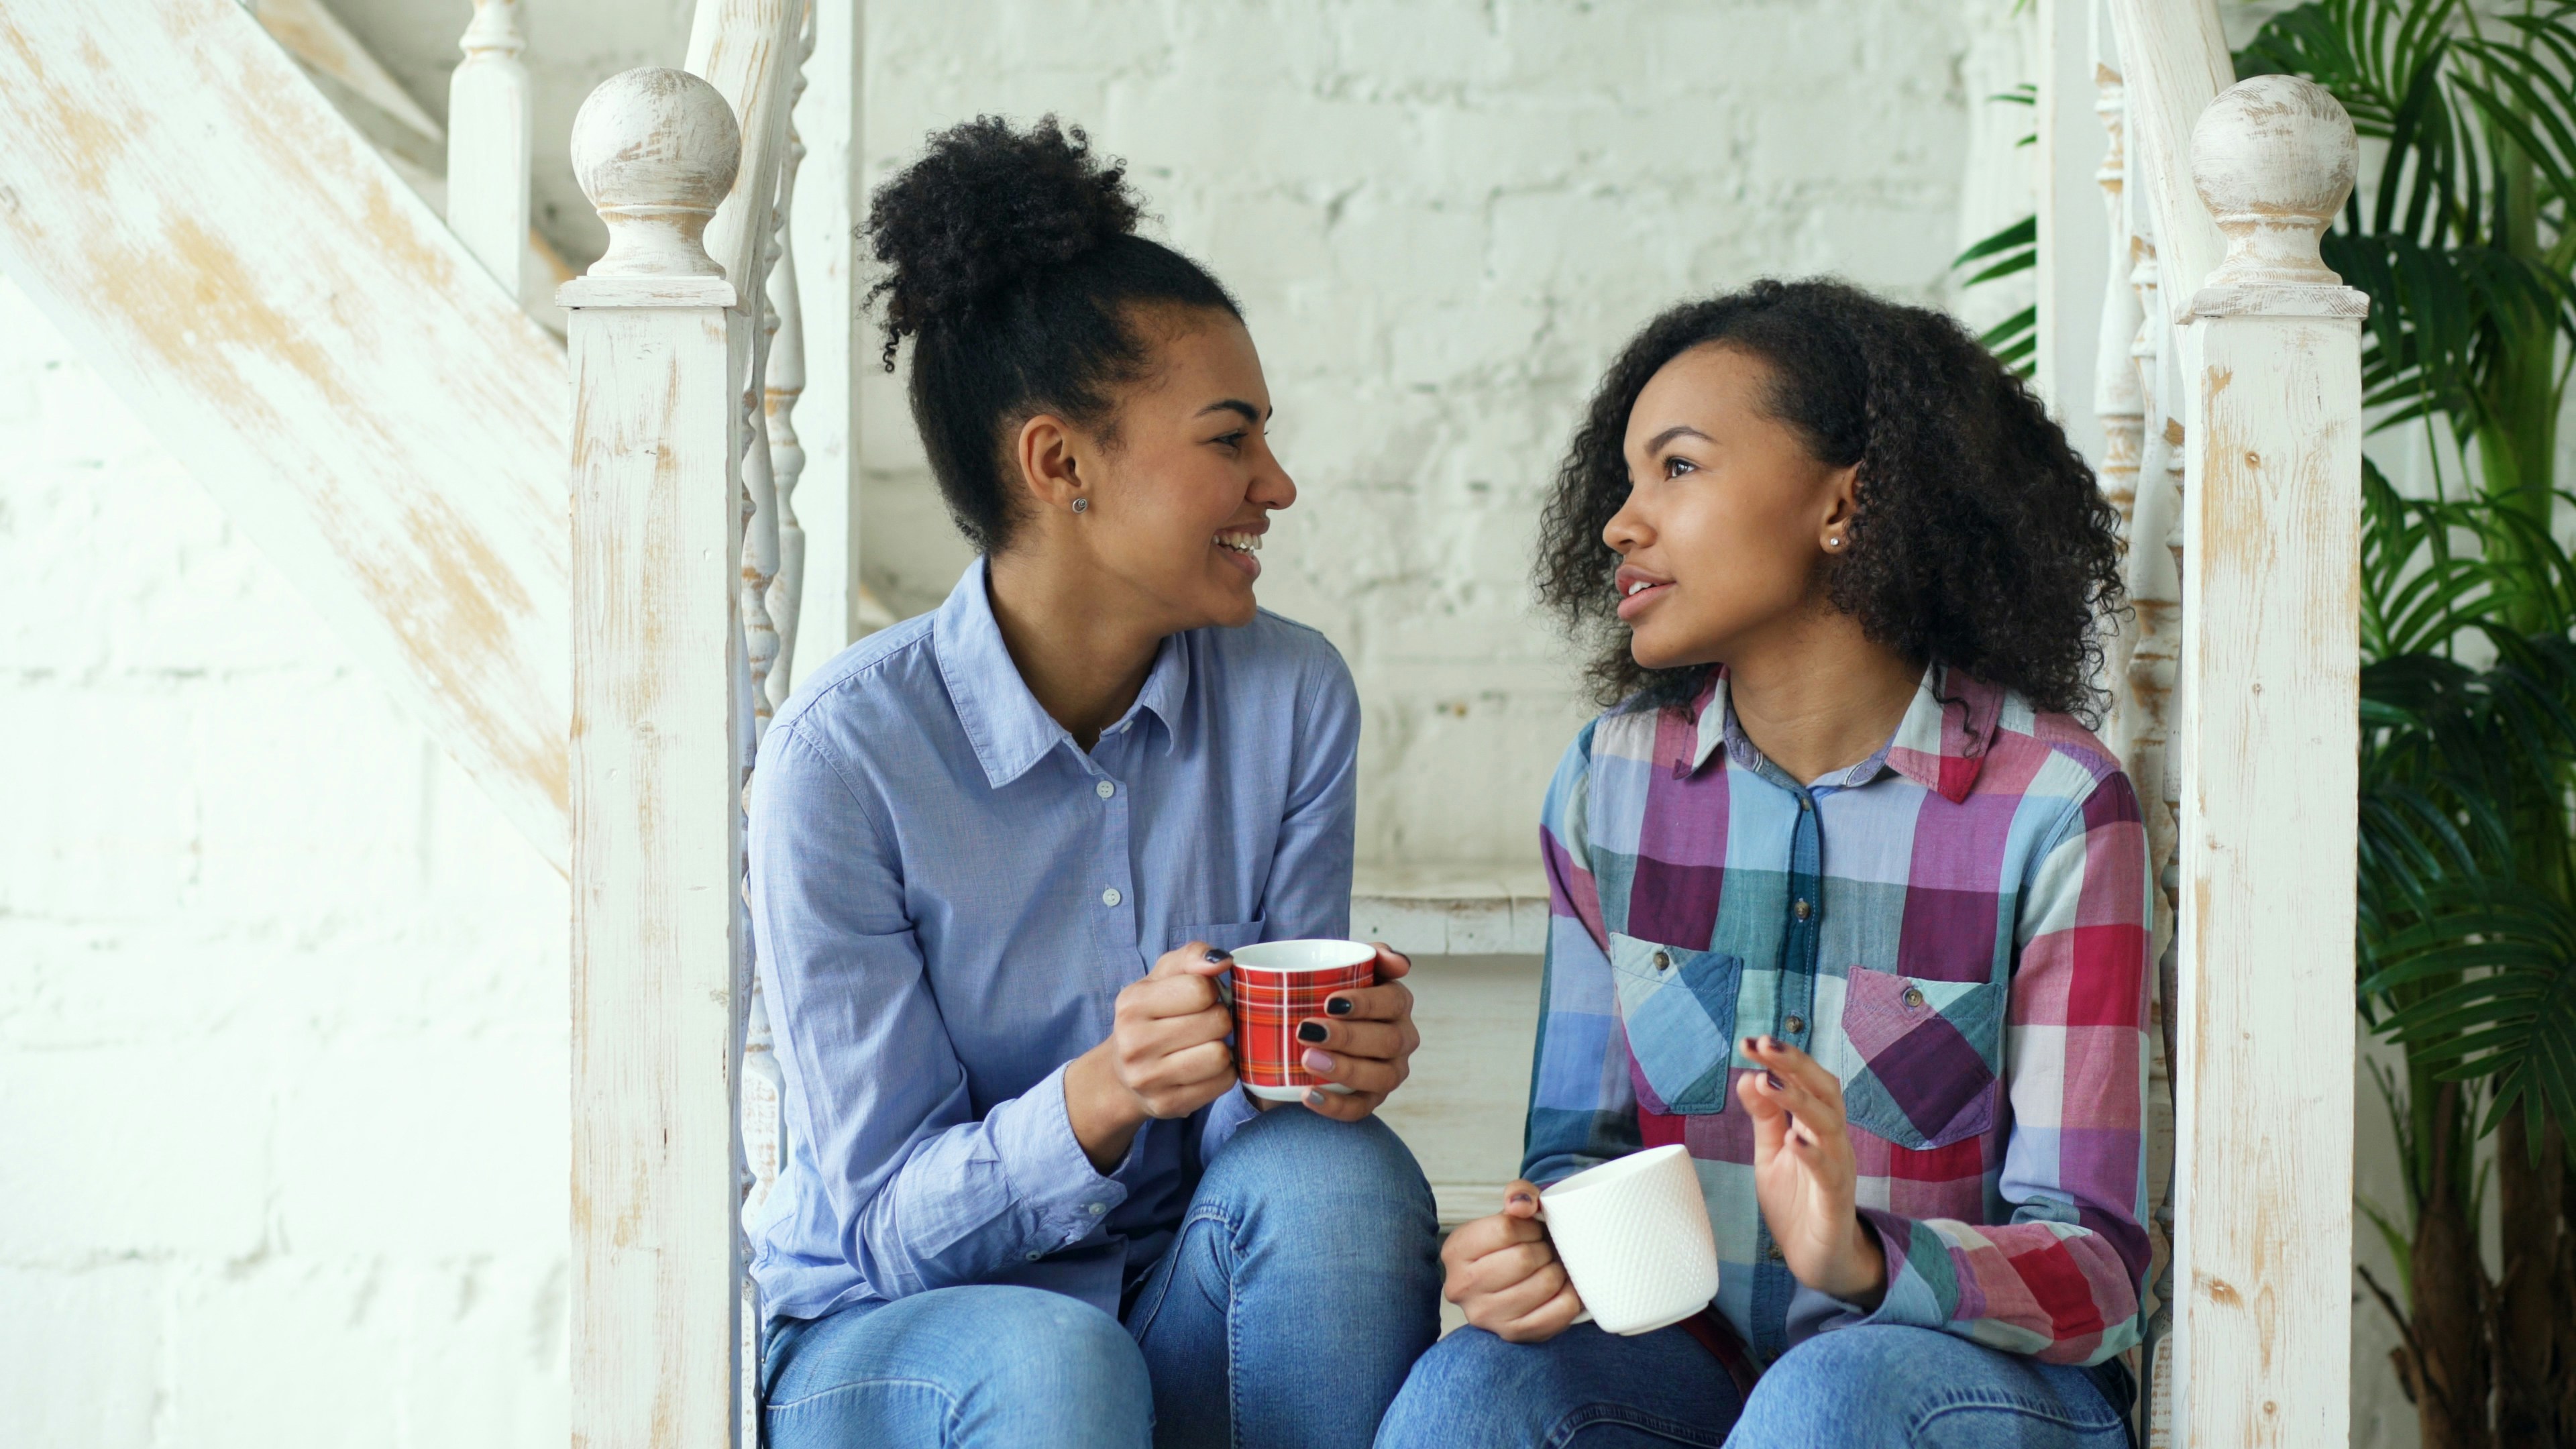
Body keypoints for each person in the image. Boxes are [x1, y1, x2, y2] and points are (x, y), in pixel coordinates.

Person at [747, 116, 1438, 1449]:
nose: (1277, 484)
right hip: (889, 1345)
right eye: (1231, 439)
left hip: (1159, 1308)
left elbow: (1263, 1147)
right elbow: (886, 1227)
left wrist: (1330, 1074)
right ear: (1059, 464)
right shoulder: (846, 758)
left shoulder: (1293, 701)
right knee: (1058, 1365)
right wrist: (1106, 1090)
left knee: (1336, 1179)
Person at [1378, 279, 2149, 1449]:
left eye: (1678, 468)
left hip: (1966, 1386)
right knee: (1472, 1392)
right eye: (1628, 480)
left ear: (1846, 502)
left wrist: (1860, 1256)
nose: (1621, 524)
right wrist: (1537, 1254)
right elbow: (1573, 1157)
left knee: (1824, 1401)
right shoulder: (1611, 786)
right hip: (1700, 1375)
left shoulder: (2054, 806)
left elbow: (2096, 1271)